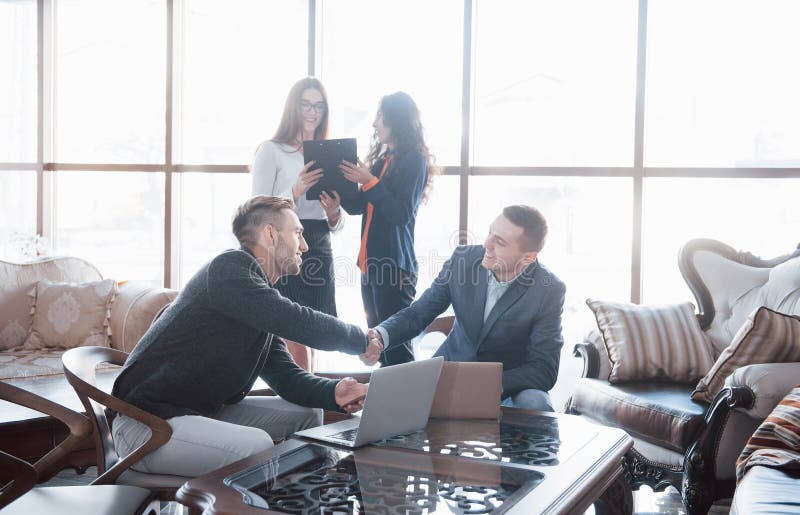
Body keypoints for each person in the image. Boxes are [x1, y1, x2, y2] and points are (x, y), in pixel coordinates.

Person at [111, 195, 379, 477]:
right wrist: (361, 340)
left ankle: (307, 500)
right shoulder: (229, 270)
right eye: (298, 233)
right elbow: (296, 320)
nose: (305, 245)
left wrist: (334, 391)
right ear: (271, 234)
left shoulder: (253, 298)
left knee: (309, 414)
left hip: (196, 411)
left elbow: (287, 379)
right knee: (256, 446)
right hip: (147, 425)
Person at [366, 205, 566, 412]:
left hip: (507, 389)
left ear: (528, 258)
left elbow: (544, 369)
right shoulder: (463, 259)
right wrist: (380, 336)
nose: (487, 244)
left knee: (536, 402)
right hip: (451, 374)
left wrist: (487, 384)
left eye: (500, 242)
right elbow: (420, 312)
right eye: (490, 233)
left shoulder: (549, 290)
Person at [339, 92, 437, 366]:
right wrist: (342, 192)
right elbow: (361, 205)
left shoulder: (413, 161)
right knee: (378, 346)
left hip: (394, 269)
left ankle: (407, 408)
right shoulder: (383, 161)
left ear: (396, 119)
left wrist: (369, 181)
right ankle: (390, 406)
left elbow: (401, 214)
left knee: (395, 350)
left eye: (379, 117)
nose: (374, 124)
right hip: (369, 267)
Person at [251, 77, 342, 370]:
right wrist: (295, 191)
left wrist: (335, 213)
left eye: (319, 105)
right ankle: (302, 405)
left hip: (319, 243)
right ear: (294, 106)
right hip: (285, 245)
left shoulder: (328, 153)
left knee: (315, 332)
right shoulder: (272, 149)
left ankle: (310, 402)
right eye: (306, 104)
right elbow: (257, 210)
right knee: (292, 332)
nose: (313, 111)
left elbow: (337, 223)